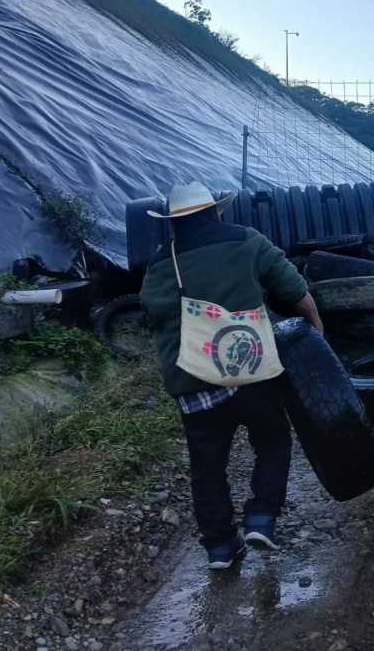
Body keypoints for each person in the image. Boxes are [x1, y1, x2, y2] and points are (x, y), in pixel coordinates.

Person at [139, 181, 323, 569]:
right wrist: (315, 323)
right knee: (272, 439)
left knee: (207, 466)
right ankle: (261, 518)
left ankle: (220, 547)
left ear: (173, 221)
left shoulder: (161, 260)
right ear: (216, 211)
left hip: (194, 377)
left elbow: (153, 312)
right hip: (251, 368)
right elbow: (293, 288)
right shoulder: (247, 240)